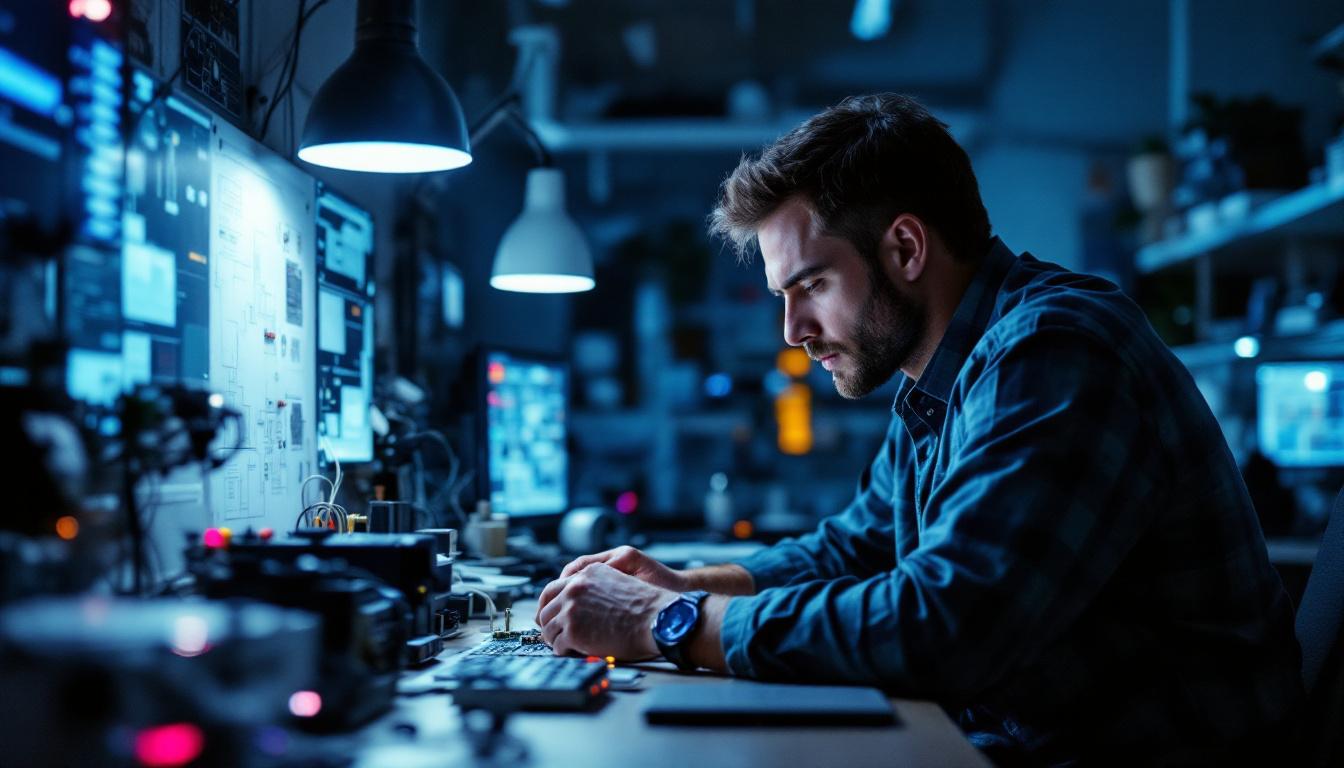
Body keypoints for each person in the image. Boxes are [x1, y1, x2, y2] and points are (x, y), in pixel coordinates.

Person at [534, 93, 1303, 764]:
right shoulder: (944, 376)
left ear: (904, 248)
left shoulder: (1057, 351)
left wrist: (666, 623)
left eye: (812, 286)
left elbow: (947, 628)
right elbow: (855, 547)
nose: (792, 330)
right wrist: (684, 584)